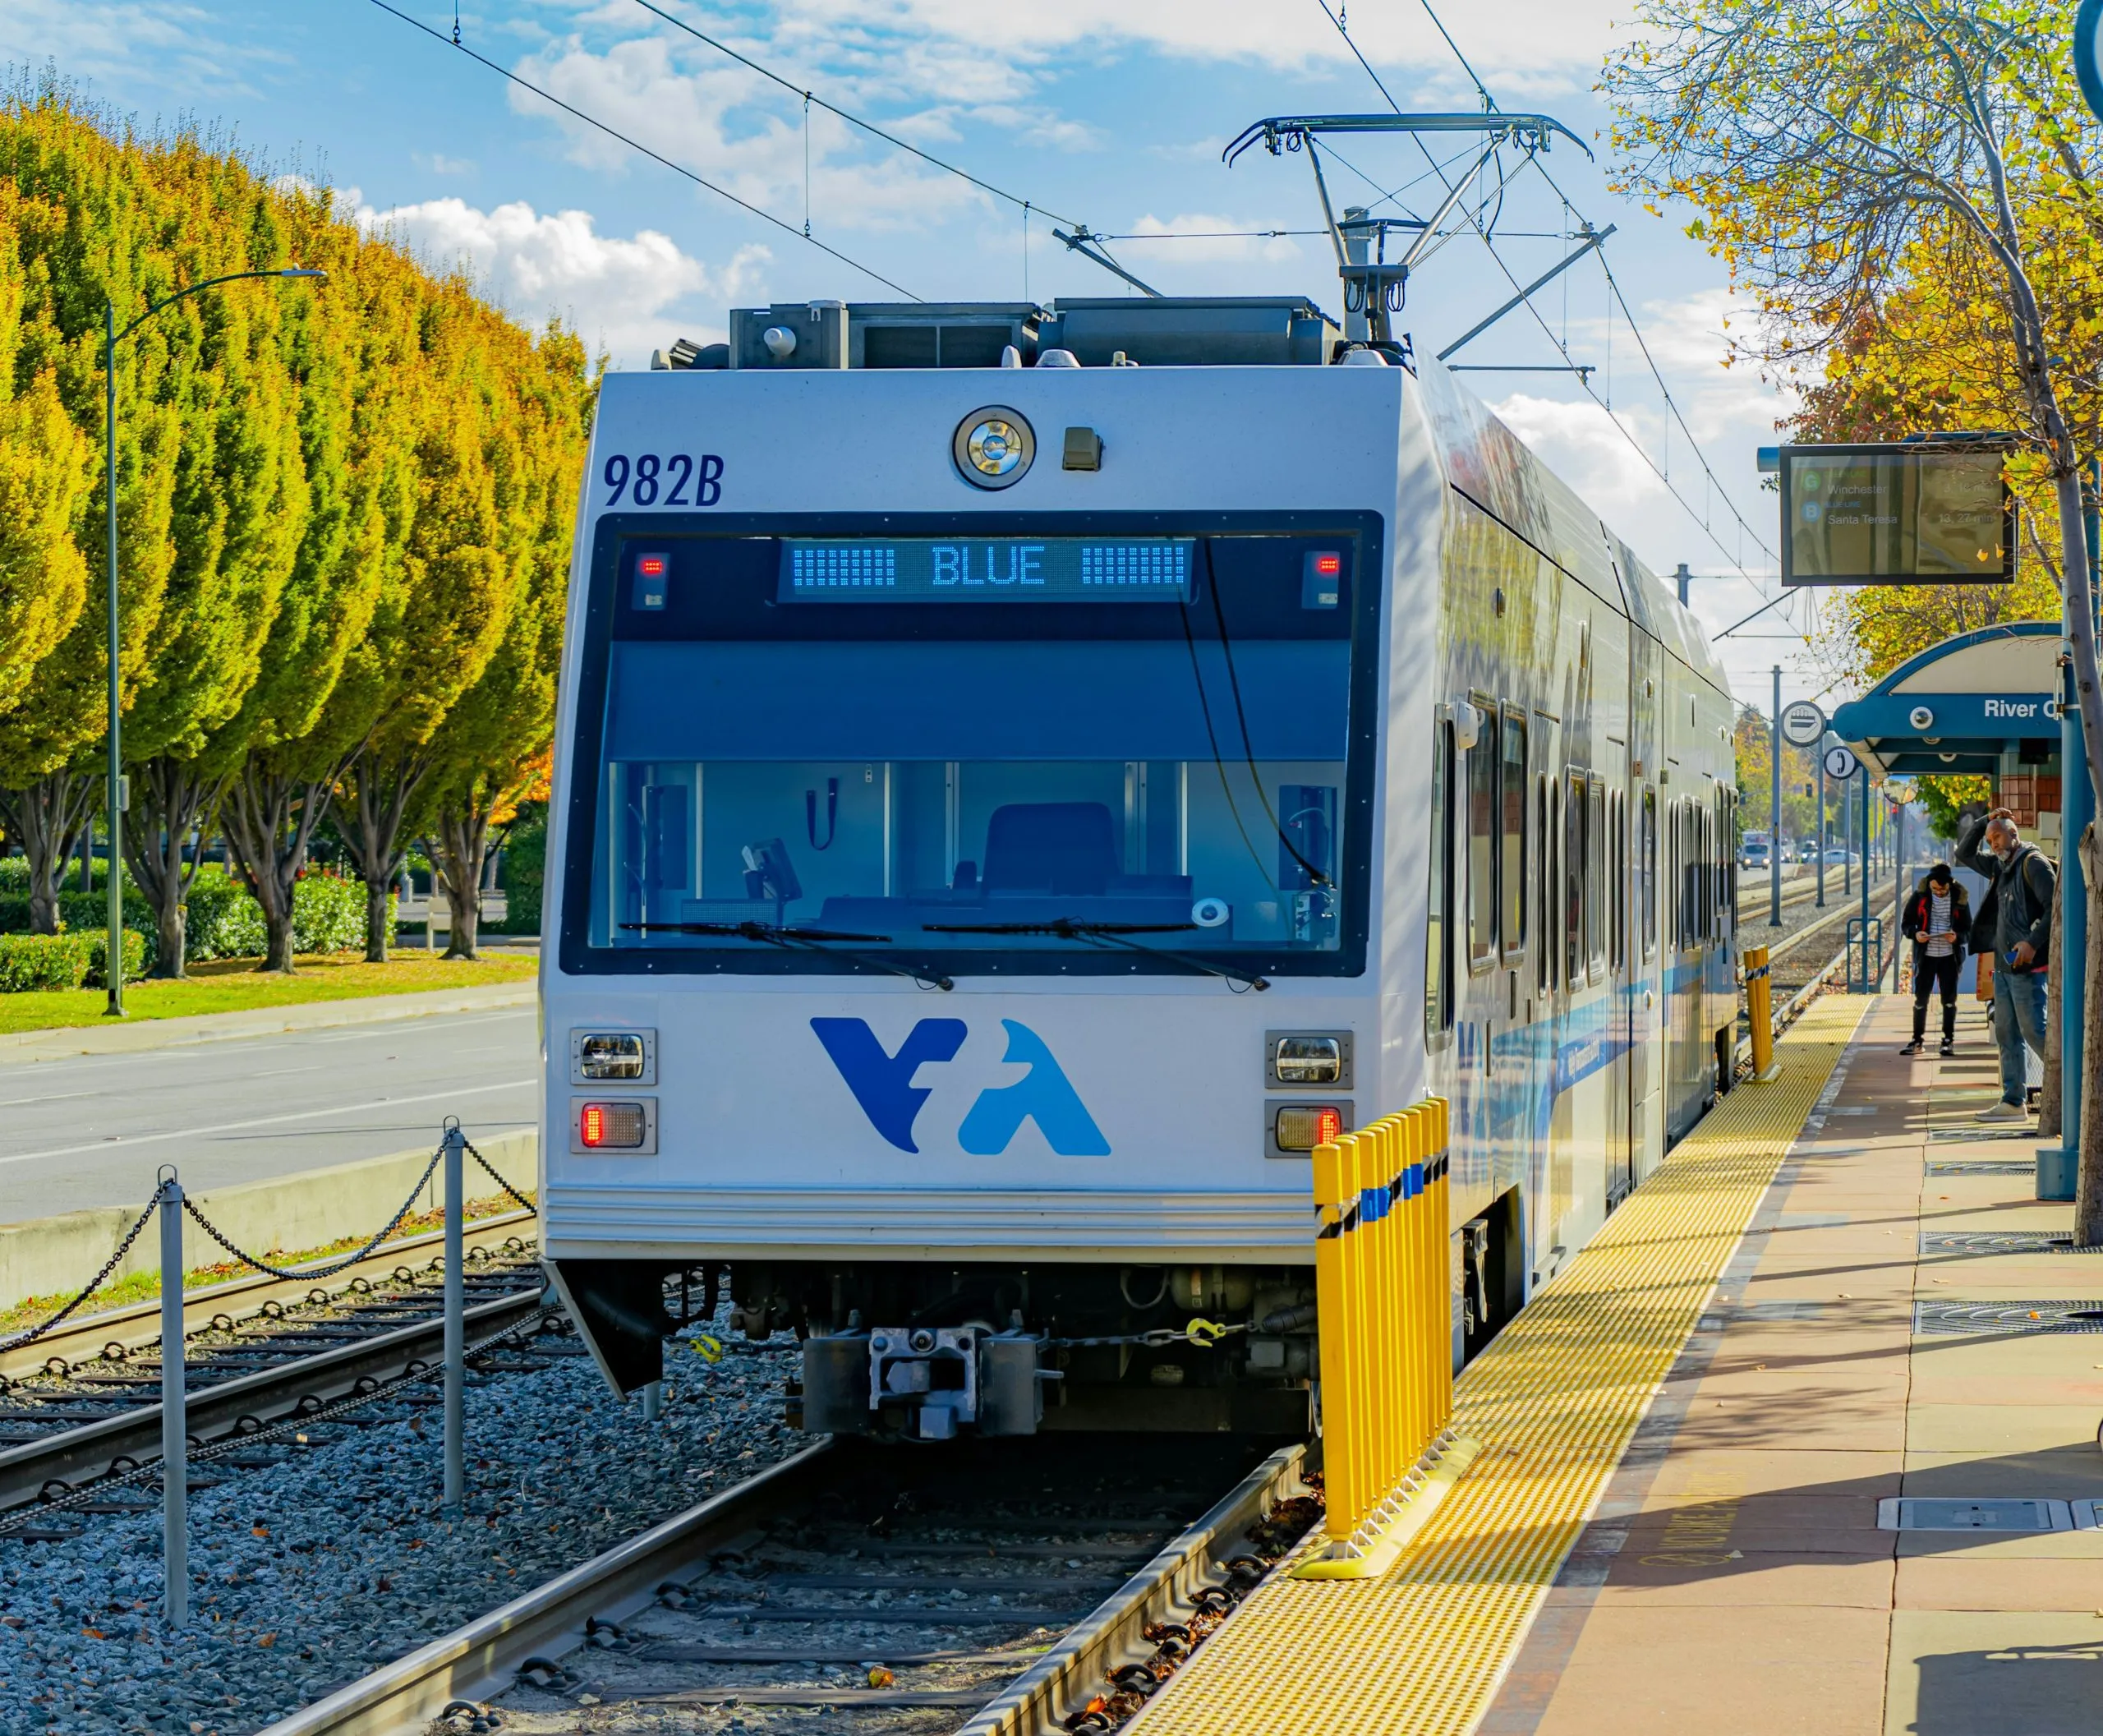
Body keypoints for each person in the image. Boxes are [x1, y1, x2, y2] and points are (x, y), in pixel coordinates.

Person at [1954, 807, 2056, 1121]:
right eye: (1990, 839)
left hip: (2027, 967)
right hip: (2003, 966)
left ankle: (2071, 1089)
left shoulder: (2033, 864)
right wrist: (1985, 822)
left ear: (2014, 834)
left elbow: (2057, 908)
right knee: (2007, 1034)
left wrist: (2032, 943)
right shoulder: (2000, 866)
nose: (1993, 844)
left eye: (1997, 836)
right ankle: (2013, 1102)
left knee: (2034, 1031)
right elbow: (1964, 853)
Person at [1898, 863, 1971, 1057]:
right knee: (1921, 999)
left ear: (1950, 885)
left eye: (1943, 889)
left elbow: (1968, 930)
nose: (1939, 892)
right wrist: (1915, 933)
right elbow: (1906, 924)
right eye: (1935, 888)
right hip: (1926, 956)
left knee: (1949, 1001)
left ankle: (1947, 1041)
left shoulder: (1960, 899)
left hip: (1949, 957)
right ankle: (1917, 1040)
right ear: (1929, 884)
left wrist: (1957, 937)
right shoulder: (1920, 897)